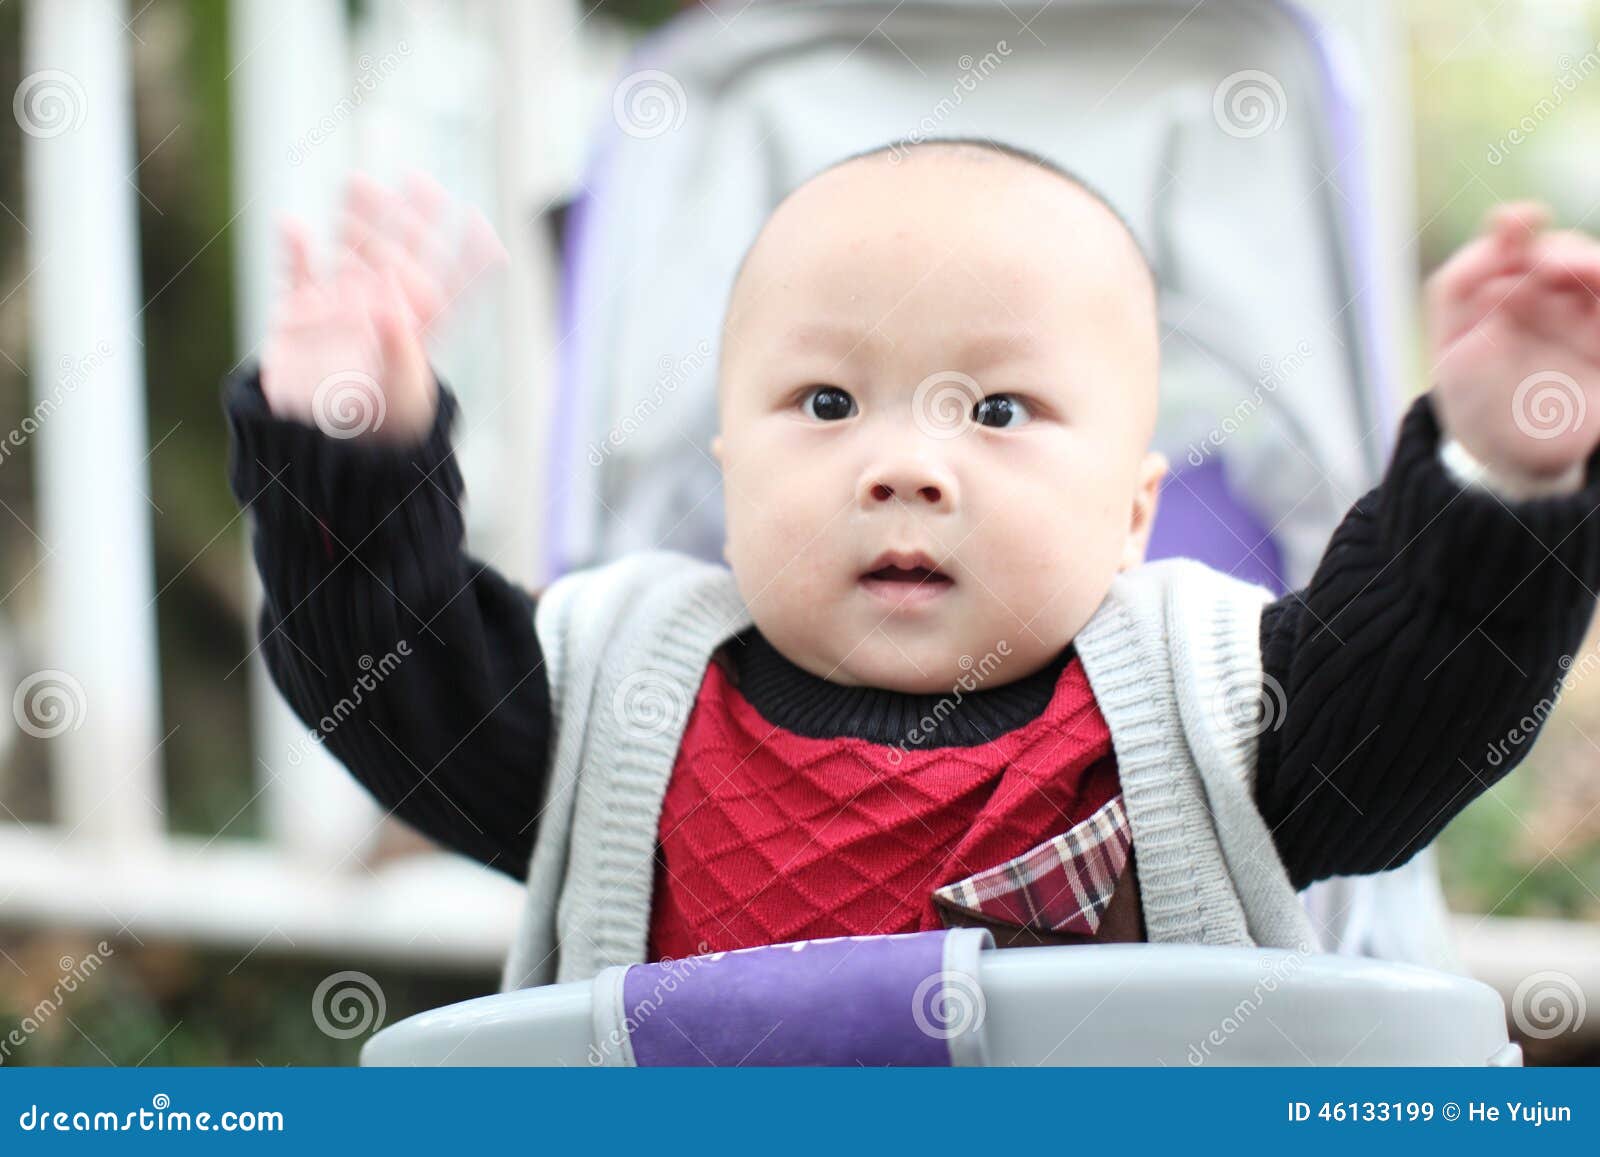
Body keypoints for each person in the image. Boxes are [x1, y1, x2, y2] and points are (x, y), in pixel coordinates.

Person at [222, 139, 1600, 988]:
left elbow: (1420, 691)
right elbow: (382, 662)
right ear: (726, 475)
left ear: (1132, 514)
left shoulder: (1203, 703)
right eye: (827, 404)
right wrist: (342, 443)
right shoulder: (618, 699)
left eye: (997, 412)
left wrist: (1502, 466)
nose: (905, 465)